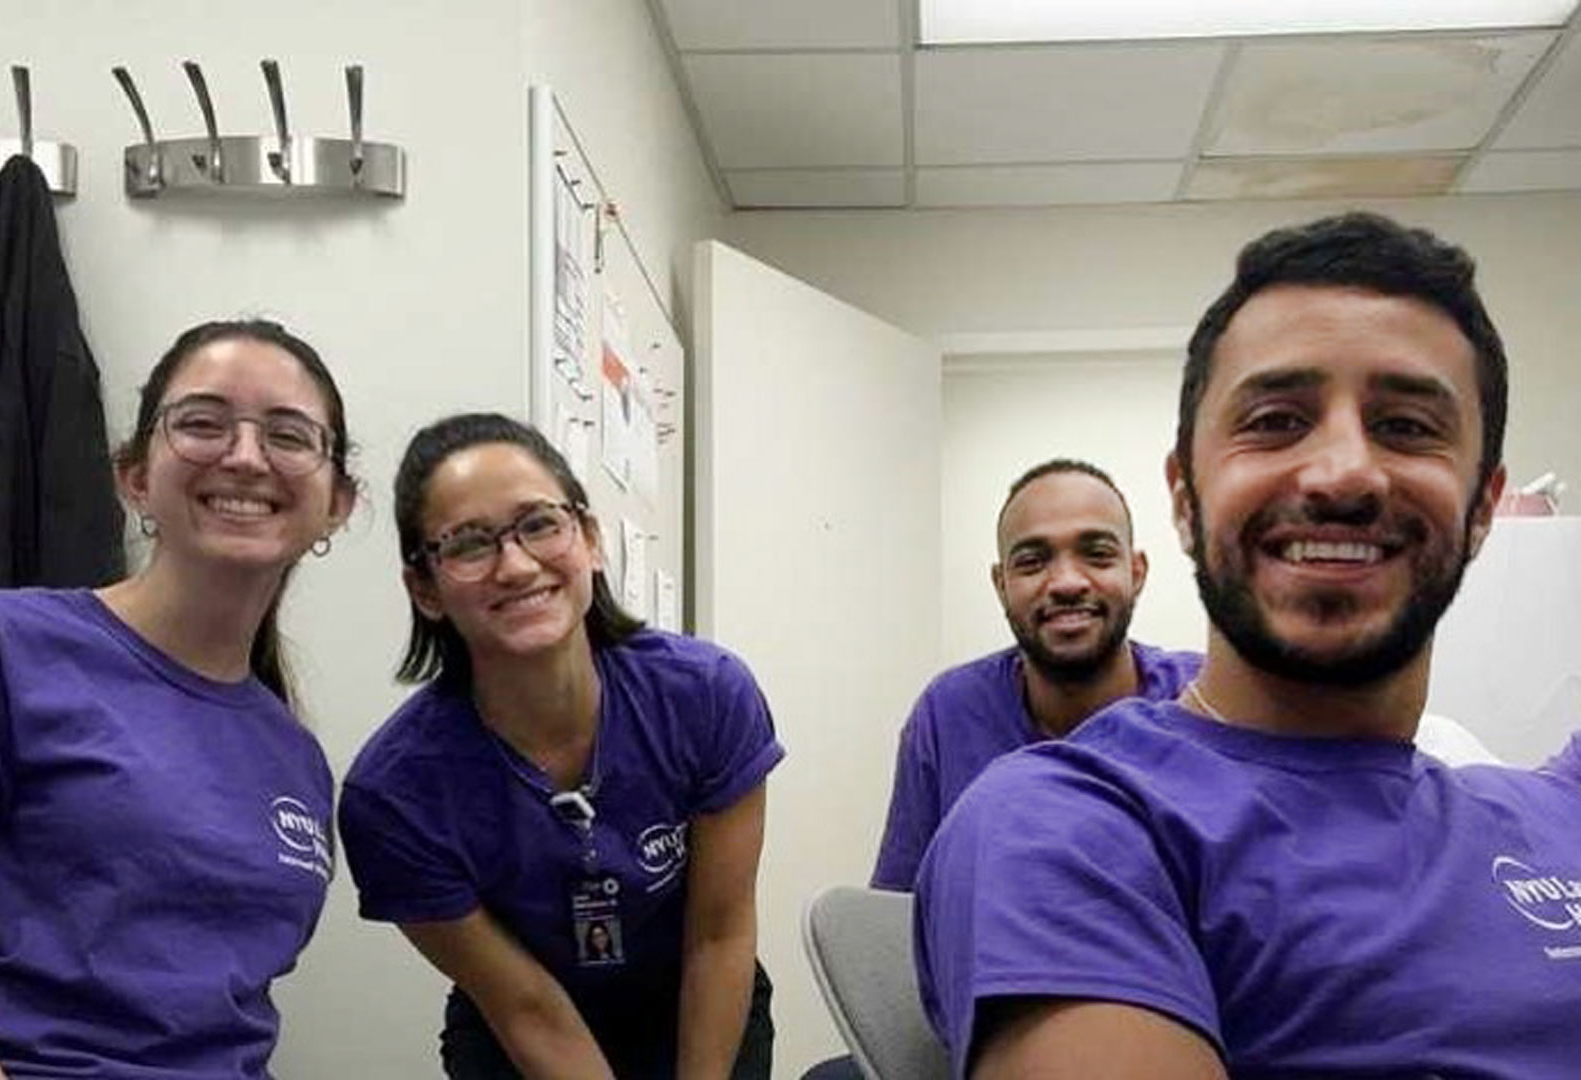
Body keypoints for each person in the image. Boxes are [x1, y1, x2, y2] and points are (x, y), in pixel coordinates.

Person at [915, 211, 1581, 1079]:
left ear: (1484, 508)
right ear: (1187, 498)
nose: (1343, 471)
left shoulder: (1543, 805)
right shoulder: (1072, 826)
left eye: (1410, 426)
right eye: (1275, 420)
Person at [339, 413, 783, 1080]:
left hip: (699, 1000)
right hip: (519, 1032)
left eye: (540, 524)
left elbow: (719, 934)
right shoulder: (395, 795)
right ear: (425, 589)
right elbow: (526, 1006)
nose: (516, 566)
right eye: (467, 544)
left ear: (591, 539)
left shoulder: (705, 695)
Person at [0, 319, 357, 1078]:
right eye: (202, 423)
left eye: (288, 434)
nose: (245, 456)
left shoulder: (296, 760)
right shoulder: (4, 648)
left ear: (338, 504)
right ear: (135, 477)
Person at [871, 460, 1200, 891]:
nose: (1065, 582)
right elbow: (899, 913)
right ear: (1001, 583)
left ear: (1136, 573)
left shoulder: (1202, 700)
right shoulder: (949, 713)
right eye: (1032, 562)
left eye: (1097, 555)